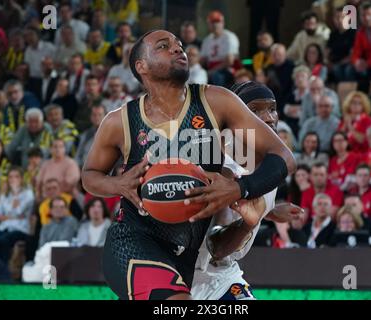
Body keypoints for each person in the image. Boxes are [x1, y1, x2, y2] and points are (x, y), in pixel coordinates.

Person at [81, 30, 296, 300]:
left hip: (189, 254)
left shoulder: (216, 101)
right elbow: (89, 176)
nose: (177, 48)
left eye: (179, 45)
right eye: (163, 46)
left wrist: (240, 189)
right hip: (134, 242)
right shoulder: (119, 121)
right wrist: (117, 184)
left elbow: (285, 158)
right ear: (141, 66)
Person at [192, 81, 302, 301]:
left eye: (272, 108)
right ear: (235, 118)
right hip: (188, 275)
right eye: (254, 110)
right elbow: (218, 247)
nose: (269, 117)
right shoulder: (224, 171)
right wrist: (250, 223)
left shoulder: (270, 163)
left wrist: (269, 211)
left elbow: (243, 206)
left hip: (222, 276)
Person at [0, 167, 34, 263]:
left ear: (22, 179)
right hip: (4, 227)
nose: (13, 179)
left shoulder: (28, 194)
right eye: (10, 177)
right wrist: (12, 215)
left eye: (16, 177)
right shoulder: (5, 194)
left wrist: (7, 216)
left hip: (20, 229)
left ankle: (3, 271)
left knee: (4, 240)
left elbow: (19, 211)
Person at [200, 11, 240, 87]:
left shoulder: (229, 37)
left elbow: (229, 61)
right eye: (212, 22)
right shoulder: (207, 40)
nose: (215, 25)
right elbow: (202, 60)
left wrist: (211, 71)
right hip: (211, 69)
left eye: (218, 22)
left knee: (217, 76)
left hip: (228, 69)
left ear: (223, 23)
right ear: (208, 24)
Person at [326, 7, 356, 83]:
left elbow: (353, 54)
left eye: (342, 17)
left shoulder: (354, 33)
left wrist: (338, 63)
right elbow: (327, 51)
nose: (339, 20)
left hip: (349, 62)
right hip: (335, 62)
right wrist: (327, 62)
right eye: (336, 17)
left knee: (345, 69)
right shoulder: (333, 34)